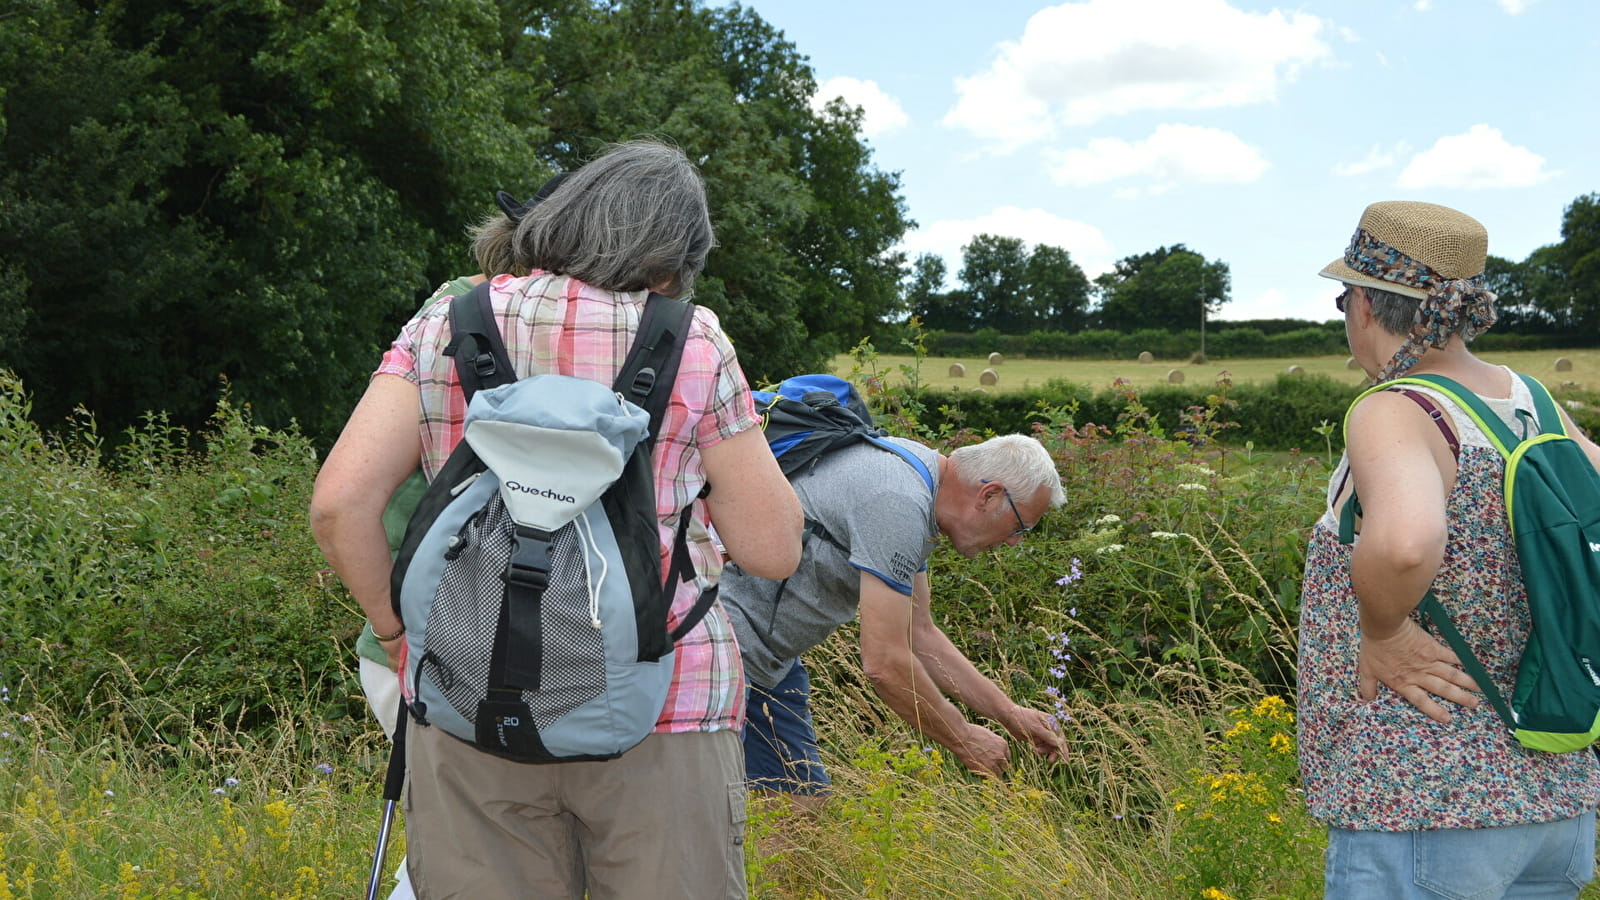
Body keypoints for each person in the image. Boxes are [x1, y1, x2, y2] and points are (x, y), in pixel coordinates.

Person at [311, 140, 803, 900]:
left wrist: (398, 638)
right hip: (665, 700)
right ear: (676, 254)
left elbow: (340, 504)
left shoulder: (450, 319)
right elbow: (772, 549)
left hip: (469, 693)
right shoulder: (693, 337)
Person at [1297, 200, 1600, 898]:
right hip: (1556, 795)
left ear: (1368, 304)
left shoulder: (1397, 408)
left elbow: (1406, 544)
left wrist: (1384, 633)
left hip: (1426, 800)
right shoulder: (1534, 402)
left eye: (1344, 296)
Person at [720, 432, 1069, 806]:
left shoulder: (919, 478)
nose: (1015, 541)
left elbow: (920, 634)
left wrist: (1009, 714)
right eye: (1020, 527)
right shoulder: (898, 502)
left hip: (769, 661)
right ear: (989, 495)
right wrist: (962, 737)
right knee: (720, 813)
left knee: (797, 805)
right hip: (723, 649)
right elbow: (884, 663)